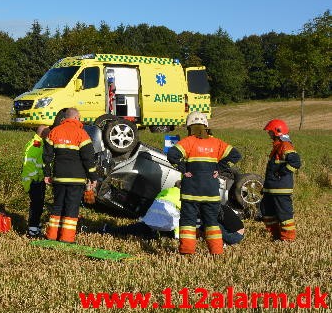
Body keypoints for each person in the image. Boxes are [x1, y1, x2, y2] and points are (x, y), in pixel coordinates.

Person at [167, 111, 241, 255]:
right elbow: (236, 155)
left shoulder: (188, 141)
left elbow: (172, 155)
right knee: (212, 223)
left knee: (188, 222)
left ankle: (187, 252)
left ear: (190, 127)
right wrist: (219, 168)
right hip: (211, 192)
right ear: (205, 126)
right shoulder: (217, 143)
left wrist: (183, 169)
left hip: (191, 192)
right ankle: (217, 251)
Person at [101, 185, 245, 245]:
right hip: (168, 225)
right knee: (206, 225)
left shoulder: (169, 191)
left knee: (139, 228)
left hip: (152, 221)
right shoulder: (206, 204)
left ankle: (109, 230)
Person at [42, 108, 100, 243]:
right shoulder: (82, 133)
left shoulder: (54, 132)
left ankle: (51, 236)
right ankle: (66, 238)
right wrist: (93, 177)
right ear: (76, 118)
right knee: (71, 208)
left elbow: (47, 157)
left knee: (57, 206)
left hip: (58, 177)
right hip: (76, 179)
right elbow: (88, 158)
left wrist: (47, 174)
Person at [260, 119, 302, 241]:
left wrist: (281, 172)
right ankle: (275, 235)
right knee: (266, 210)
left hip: (281, 188)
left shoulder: (285, 145)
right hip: (271, 188)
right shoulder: (277, 146)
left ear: (277, 132)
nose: (269, 134)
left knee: (284, 214)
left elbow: (295, 162)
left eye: (270, 132)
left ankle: (288, 238)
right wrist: (266, 188)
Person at [21, 125, 49, 238]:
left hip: (37, 180)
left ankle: (35, 227)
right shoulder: (36, 145)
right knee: (36, 206)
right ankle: (32, 230)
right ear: (43, 134)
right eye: (49, 134)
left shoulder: (39, 144)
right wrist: (35, 179)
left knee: (39, 205)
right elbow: (29, 164)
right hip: (34, 181)